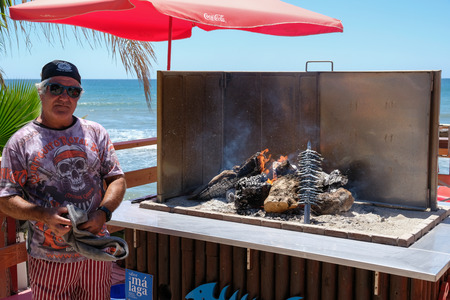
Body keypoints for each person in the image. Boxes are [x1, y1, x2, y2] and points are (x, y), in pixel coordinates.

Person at [0, 60, 126, 299]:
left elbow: (116, 179)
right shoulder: (20, 143)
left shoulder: (96, 133)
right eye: (55, 88)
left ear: (78, 96)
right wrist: (42, 215)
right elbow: (5, 198)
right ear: (41, 91)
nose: (64, 96)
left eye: (73, 90)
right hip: (49, 256)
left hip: (95, 250)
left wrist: (103, 213)